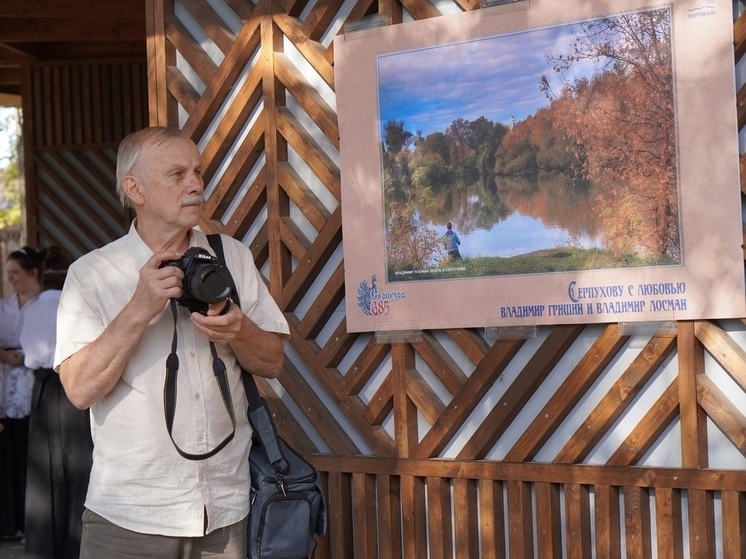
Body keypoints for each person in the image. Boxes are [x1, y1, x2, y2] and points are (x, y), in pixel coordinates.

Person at [54, 126, 290, 559]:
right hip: (128, 515)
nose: (196, 184)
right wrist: (138, 309)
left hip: (224, 510)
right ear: (135, 189)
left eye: (198, 172)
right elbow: (79, 389)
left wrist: (239, 330)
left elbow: (273, 361)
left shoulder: (230, 257)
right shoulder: (91, 275)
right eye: (177, 173)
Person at [22, 246, 93, 559]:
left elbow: (30, 355)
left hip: (45, 388)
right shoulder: (79, 303)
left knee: (44, 472)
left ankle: (43, 547)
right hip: (75, 385)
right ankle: (78, 544)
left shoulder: (33, 307)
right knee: (80, 467)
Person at [0, 247, 43, 540]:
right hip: (7, 385)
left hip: (36, 381)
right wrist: (4, 355)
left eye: (16, 272)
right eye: (8, 273)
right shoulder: (3, 306)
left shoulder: (45, 302)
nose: (11, 278)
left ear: (32, 273)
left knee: (33, 454)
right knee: (10, 455)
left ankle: (34, 522)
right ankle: (11, 521)